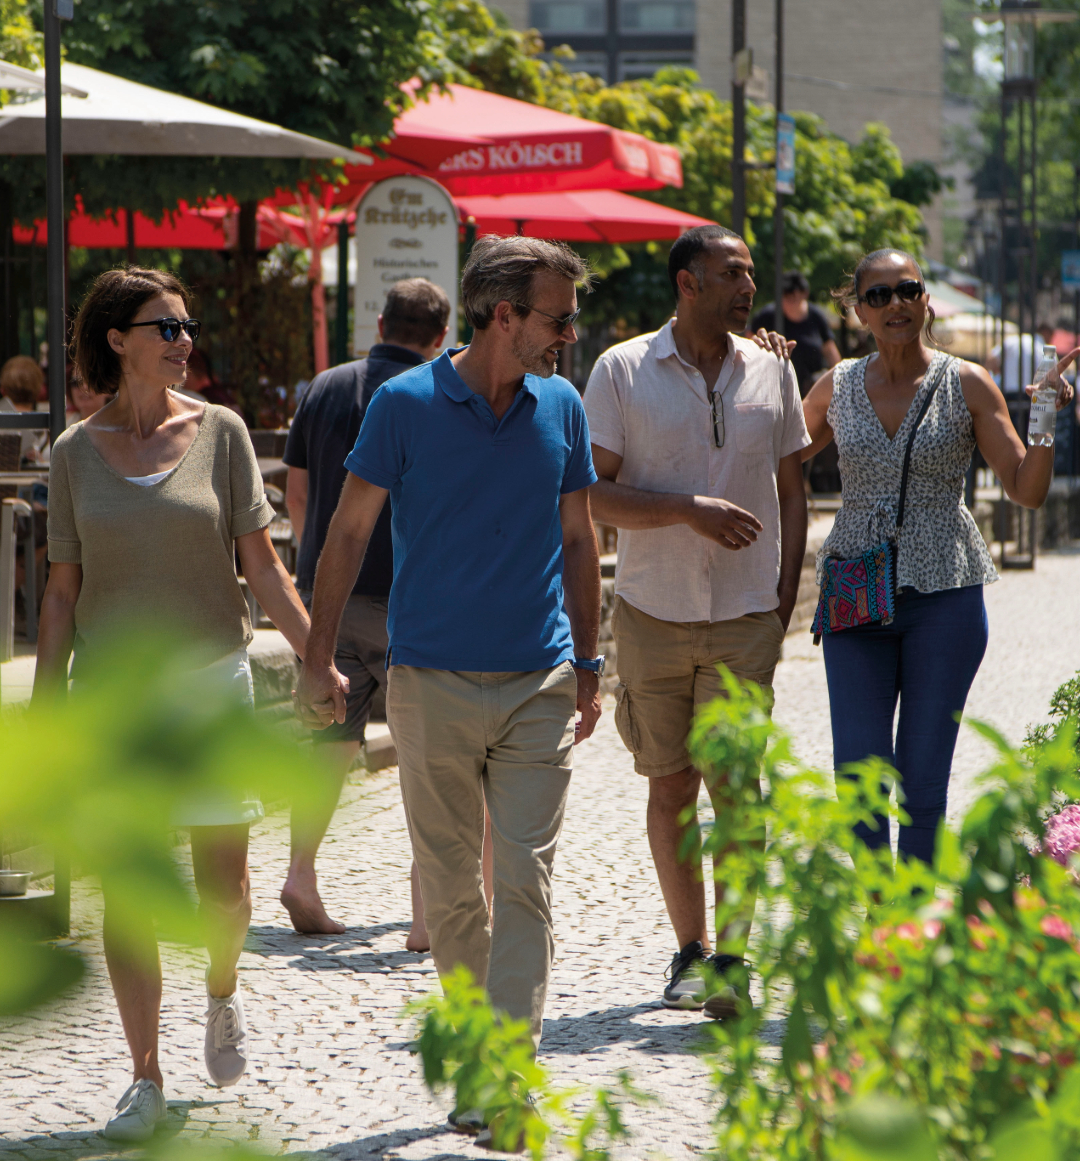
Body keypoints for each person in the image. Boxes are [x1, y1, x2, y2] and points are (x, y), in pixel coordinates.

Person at [295, 235, 603, 1067]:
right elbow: (347, 532)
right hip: (428, 680)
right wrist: (316, 656)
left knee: (525, 884)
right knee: (452, 889)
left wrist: (589, 662)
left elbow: (580, 539)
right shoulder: (403, 402)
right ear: (504, 314)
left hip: (539, 679)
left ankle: (506, 1063)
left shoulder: (563, 406)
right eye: (558, 317)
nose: (569, 333)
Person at [34, 267, 312, 1142]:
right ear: (119, 340)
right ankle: (144, 1074)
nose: (186, 340)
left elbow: (262, 567)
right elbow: (61, 592)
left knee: (225, 893)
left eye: (188, 327)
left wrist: (319, 657)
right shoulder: (72, 454)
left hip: (212, 687)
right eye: (168, 327)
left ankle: (222, 992)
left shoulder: (222, 434)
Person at [584, 224, 809, 1019]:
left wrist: (782, 600)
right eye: (731, 272)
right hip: (651, 613)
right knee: (671, 782)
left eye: (750, 270)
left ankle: (737, 960)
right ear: (689, 282)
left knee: (738, 791)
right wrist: (685, 510)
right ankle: (690, 950)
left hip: (746, 616)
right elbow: (589, 495)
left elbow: (792, 490)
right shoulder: (621, 370)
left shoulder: (775, 369)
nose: (748, 284)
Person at [801, 249, 1080, 864]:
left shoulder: (967, 383)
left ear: (926, 299)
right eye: (878, 295)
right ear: (858, 311)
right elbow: (770, 453)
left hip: (946, 598)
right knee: (859, 778)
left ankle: (911, 933)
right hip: (855, 592)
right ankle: (879, 922)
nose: (895, 304)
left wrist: (1043, 413)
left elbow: (1026, 490)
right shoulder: (838, 386)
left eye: (908, 289)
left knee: (922, 784)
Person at [282, 276, 493, 943]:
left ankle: (301, 873)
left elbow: (297, 495)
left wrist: (316, 571)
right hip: (418, 599)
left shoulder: (323, 387)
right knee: (431, 749)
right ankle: (428, 905)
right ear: (440, 334)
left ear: (378, 323)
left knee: (327, 740)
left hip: (334, 598)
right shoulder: (437, 392)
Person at [750, 271, 841, 397]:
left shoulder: (816, 316)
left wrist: (841, 382)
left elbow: (830, 351)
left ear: (805, 294)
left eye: (796, 297)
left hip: (812, 390)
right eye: (787, 297)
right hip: (776, 389)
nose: (792, 302)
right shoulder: (766, 317)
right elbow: (749, 343)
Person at [987, 322, 1055, 395]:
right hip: (1033, 395)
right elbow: (1055, 375)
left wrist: (998, 372)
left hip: (1008, 393)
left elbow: (990, 361)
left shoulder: (1013, 340)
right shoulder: (1045, 349)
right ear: (1047, 333)